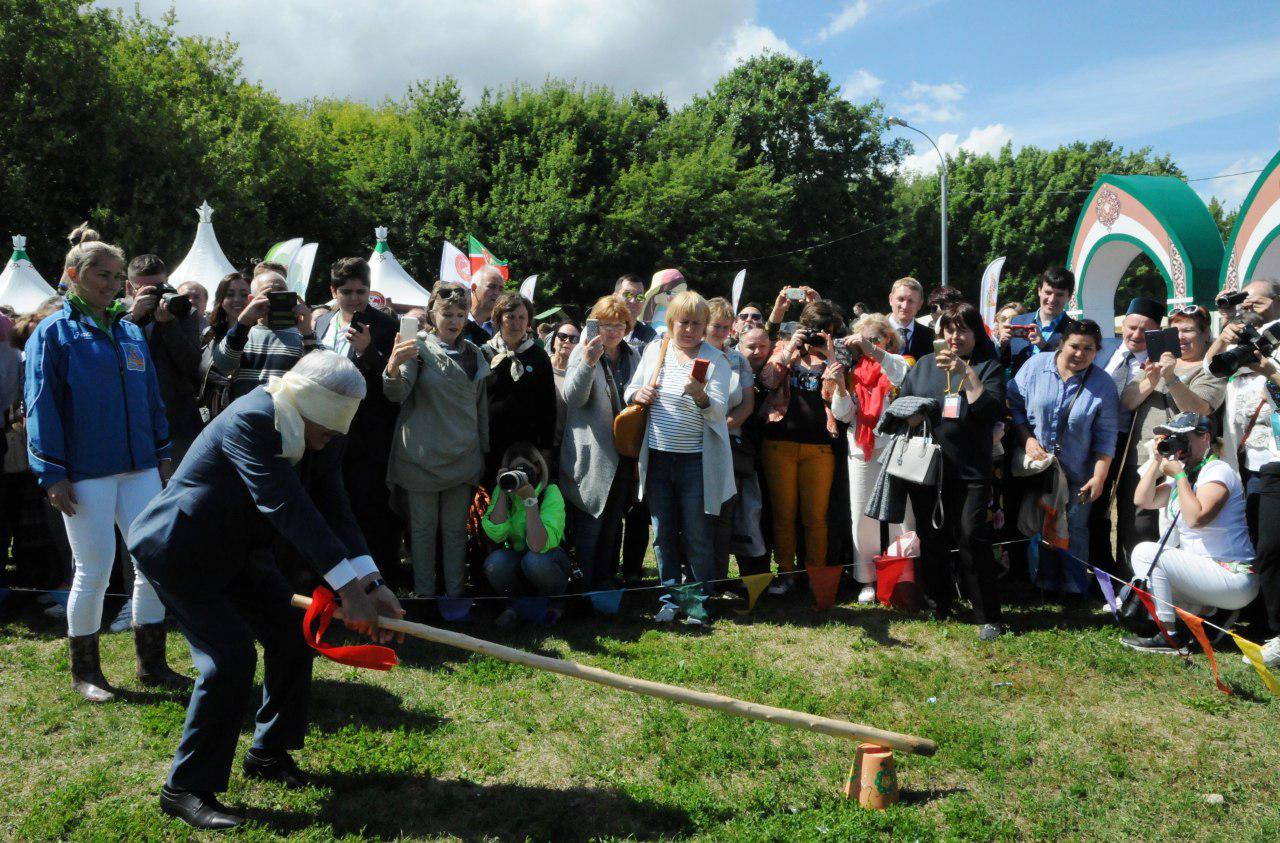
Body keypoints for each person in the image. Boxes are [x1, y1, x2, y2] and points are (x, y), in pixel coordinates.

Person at [129, 350, 404, 830]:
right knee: (230, 658)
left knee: (292, 636)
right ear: (306, 404)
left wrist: (371, 580)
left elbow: (331, 501)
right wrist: (345, 588)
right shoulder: (253, 417)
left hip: (242, 552)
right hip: (181, 549)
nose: (331, 440)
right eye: (327, 429)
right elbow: (283, 504)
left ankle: (269, 753)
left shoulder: (325, 432)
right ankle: (185, 788)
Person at [25, 224, 187, 702]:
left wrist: (162, 453)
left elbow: (152, 398)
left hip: (140, 467)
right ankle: (87, 672)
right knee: (94, 567)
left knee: (152, 563)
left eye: (119, 276)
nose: (113, 283)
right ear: (74, 274)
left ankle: (151, 663)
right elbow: (41, 405)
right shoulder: (53, 333)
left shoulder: (131, 331)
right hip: (84, 473)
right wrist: (51, 473)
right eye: (103, 274)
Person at [898, 303, 1007, 639]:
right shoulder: (924, 366)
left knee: (972, 536)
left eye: (963, 330)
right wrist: (913, 414)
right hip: (929, 468)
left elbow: (989, 411)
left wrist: (966, 374)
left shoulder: (987, 365)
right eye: (949, 329)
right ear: (940, 332)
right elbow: (904, 406)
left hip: (971, 468)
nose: (955, 336)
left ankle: (988, 615)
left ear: (976, 334)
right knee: (932, 538)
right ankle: (938, 602)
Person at [625, 291, 733, 623]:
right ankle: (670, 599)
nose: (688, 330)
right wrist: (639, 392)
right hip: (657, 457)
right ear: (671, 323)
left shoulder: (717, 360)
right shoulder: (656, 350)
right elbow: (631, 391)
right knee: (663, 533)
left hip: (696, 462)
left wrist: (702, 397)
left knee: (698, 533)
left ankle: (697, 603)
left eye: (696, 324)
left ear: (705, 327)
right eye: (682, 322)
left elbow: (718, 415)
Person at [385, 283, 489, 598]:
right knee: (423, 532)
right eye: (448, 314)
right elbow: (397, 393)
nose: (454, 321)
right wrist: (392, 366)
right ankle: (425, 600)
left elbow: (480, 409)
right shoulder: (417, 347)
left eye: (461, 314)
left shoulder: (474, 353)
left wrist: (482, 451)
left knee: (457, 533)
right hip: (421, 459)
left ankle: (455, 599)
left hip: (463, 458)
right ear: (433, 314)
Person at [1126, 413, 1257, 653]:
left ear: (1205, 438)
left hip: (1232, 575)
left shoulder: (1219, 470)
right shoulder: (1186, 476)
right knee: (1133, 591)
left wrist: (1178, 474)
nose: (1178, 442)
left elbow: (1196, 518)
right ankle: (1212, 615)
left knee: (1145, 553)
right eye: (1173, 436)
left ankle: (1170, 635)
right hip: (1205, 573)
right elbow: (1142, 500)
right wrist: (1156, 460)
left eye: (1183, 437)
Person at [1007, 318, 1119, 594]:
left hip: (1078, 472)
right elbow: (1014, 404)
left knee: (1074, 527)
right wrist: (1027, 437)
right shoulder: (1036, 366)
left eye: (1089, 349)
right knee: (1035, 522)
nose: (1080, 354)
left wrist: (1099, 477)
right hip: (1039, 468)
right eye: (1075, 346)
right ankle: (1035, 582)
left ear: (1097, 350)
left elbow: (1107, 435)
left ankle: (1071, 586)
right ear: (1062, 344)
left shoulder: (1103, 384)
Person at [312, 258, 403, 579]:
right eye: (347, 292)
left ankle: (380, 583)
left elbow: (394, 387)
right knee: (331, 511)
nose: (354, 298)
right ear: (333, 292)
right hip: (325, 433)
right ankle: (339, 584)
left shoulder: (387, 326)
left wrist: (368, 352)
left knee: (370, 513)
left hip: (368, 437)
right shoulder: (321, 324)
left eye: (360, 291)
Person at [1121, 304, 1225, 564]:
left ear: (1205, 335)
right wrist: (1152, 380)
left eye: (1189, 330)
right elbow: (1127, 402)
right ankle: (1133, 590)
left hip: (1187, 462)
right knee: (1135, 526)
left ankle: (1176, 590)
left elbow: (1200, 408)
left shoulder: (1210, 369)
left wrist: (1171, 380)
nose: (1181, 337)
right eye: (1175, 331)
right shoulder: (1152, 363)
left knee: (1178, 529)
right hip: (1144, 458)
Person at [1212, 278, 1280, 667]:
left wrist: (1266, 364)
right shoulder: (1243, 340)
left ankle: (1274, 630)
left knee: (1270, 547)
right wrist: (1225, 335)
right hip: (1243, 461)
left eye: (1256, 296)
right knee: (1254, 544)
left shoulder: (1273, 342)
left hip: (1274, 458)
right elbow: (1212, 371)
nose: (1247, 302)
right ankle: (1255, 623)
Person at [758, 299, 846, 594]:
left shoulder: (835, 360)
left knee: (816, 517)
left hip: (819, 447)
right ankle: (786, 573)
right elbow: (767, 381)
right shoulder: (786, 353)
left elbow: (837, 400)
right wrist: (789, 349)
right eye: (813, 330)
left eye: (825, 332)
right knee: (783, 514)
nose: (818, 336)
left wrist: (831, 358)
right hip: (779, 443)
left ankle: (816, 574)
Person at [827, 313, 912, 602]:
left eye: (875, 338)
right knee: (862, 516)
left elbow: (902, 376)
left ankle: (904, 575)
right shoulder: (852, 370)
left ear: (888, 338)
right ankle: (867, 580)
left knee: (903, 516)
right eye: (862, 339)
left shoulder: (900, 361)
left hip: (897, 446)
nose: (867, 345)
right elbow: (844, 415)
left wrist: (873, 349)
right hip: (861, 447)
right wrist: (839, 385)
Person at [561, 296, 639, 588]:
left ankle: (602, 585)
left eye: (619, 324)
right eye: (606, 324)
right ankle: (581, 588)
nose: (613, 331)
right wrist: (587, 362)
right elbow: (573, 397)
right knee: (589, 526)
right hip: (592, 456)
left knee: (611, 526)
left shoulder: (633, 356)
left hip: (623, 453)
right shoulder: (581, 353)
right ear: (594, 325)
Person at [1091, 297, 1163, 573]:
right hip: (1096, 440)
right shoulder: (1102, 349)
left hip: (1133, 443)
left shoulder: (1160, 361)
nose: (1135, 335)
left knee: (1131, 511)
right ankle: (1098, 567)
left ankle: (1129, 572)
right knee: (1095, 508)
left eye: (1145, 331)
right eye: (1131, 327)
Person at [125, 254, 205, 464]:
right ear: (129, 288)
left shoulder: (185, 312)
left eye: (159, 286)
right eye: (146, 290)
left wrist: (169, 324)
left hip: (176, 419)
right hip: (133, 421)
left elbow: (191, 364)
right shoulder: (116, 316)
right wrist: (133, 318)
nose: (155, 294)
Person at [483, 442, 570, 624]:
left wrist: (530, 500)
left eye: (526, 470)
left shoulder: (550, 492)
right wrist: (501, 490)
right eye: (515, 470)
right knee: (495, 562)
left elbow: (538, 545)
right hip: (519, 558)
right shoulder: (506, 492)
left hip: (548, 558)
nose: (521, 475)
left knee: (534, 560)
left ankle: (556, 604)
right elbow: (496, 534)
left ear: (538, 468)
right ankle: (515, 607)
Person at [211, 262, 317, 400]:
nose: (277, 298)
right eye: (269, 293)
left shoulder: (301, 335)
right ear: (251, 299)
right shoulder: (241, 334)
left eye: (282, 292)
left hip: (286, 416)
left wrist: (307, 331)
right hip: (245, 415)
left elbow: (320, 376)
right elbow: (223, 365)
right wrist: (244, 321)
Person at [482, 292, 557, 483]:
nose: (516, 323)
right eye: (510, 317)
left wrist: (546, 448)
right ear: (499, 319)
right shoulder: (484, 353)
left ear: (528, 321)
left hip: (527, 445)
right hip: (490, 444)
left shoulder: (539, 357)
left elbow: (547, 405)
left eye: (522, 317)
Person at [706, 297, 756, 585]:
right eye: (717, 327)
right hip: (694, 443)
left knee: (725, 513)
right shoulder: (692, 354)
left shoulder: (738, 359)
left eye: (727, 327)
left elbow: (746, 404)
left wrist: (723, 428)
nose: (723, 333)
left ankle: (718, 577)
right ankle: (695, 575)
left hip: (727, 443)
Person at [1008, 267, 1076, 371]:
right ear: (1039, 291)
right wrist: (1002, 346)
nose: (1052, 299)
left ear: (1069, 297)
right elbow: (1005, 363)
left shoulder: (1075, 330)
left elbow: (1074, 365)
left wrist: (1043, 346)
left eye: (1059, 295)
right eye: (1048, 292)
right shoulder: (1017, 321)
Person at [547, 318, 580, 454]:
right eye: (562, 336)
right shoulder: (542, 366)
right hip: (543, 444)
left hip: (570, 448)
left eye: (573, 339)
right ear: (554, 340)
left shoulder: (580, 374)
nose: (567, 341)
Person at [886, 277, 934, 362]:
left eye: (911, 301)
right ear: (890, 299)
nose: (905, 306)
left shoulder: (930, 336)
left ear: (919, 304)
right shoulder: (874, 331)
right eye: (901, 299)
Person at [464, 265, 505, 346]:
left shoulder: (503, 327)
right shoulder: (458, 320)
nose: (497, 293)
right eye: (491, 287)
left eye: (501, 289)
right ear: (474, 288)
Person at [615, 274, 656, 353]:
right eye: (627, 295)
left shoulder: (651, 336)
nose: (633, 301)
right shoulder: (596, 327)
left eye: (639, 296)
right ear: (615, 297)